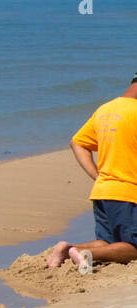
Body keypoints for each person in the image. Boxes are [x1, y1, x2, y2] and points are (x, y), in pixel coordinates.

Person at [46, 72, 137, 268]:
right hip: (128, 194)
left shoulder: (105, 109)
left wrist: (98, 177)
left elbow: (77, 143)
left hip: (102, 192)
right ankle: (80, 252)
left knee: (109, 244)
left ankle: (67, 248)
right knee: (133, 247)